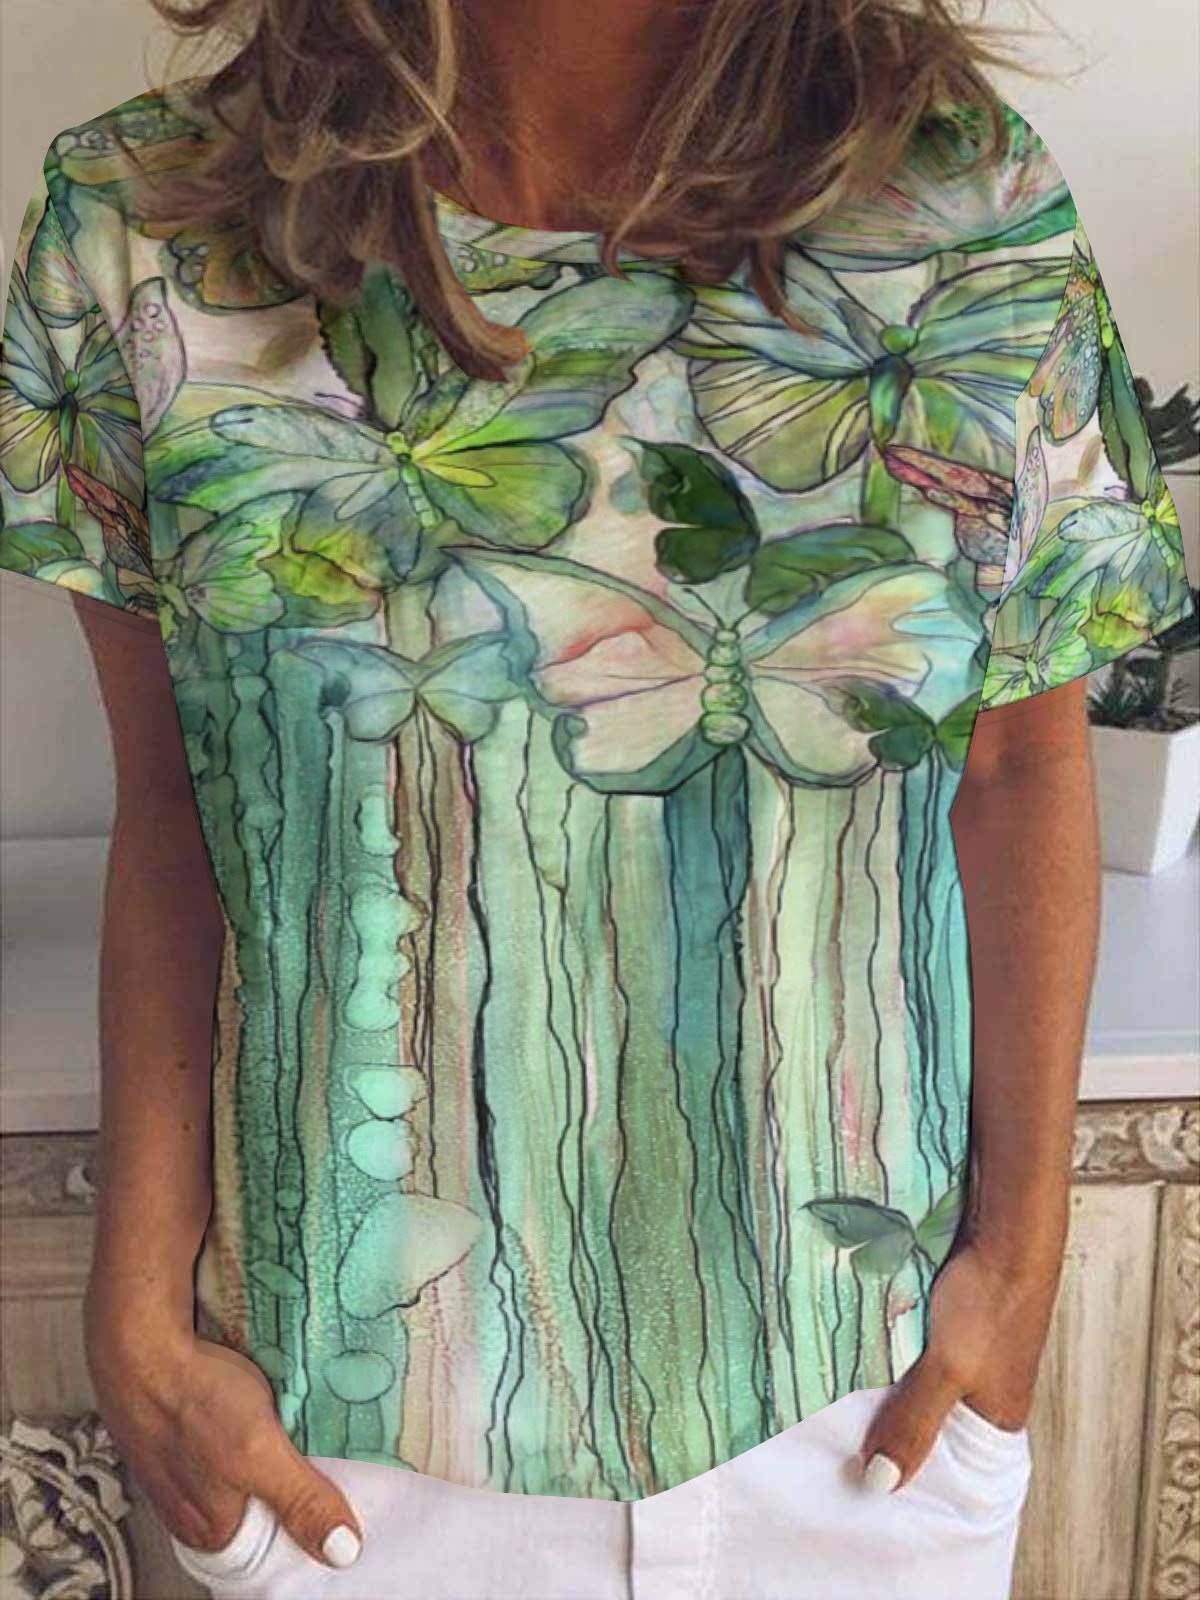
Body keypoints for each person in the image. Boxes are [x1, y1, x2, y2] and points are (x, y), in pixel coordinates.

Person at [0, 0, 1193, 1595]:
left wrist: (1021, 1269)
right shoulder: (141, 227)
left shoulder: (962, 207)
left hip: (863, 1418)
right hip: (334, 1441)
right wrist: (139, 1317)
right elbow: (181, 806)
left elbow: (1020, 762)